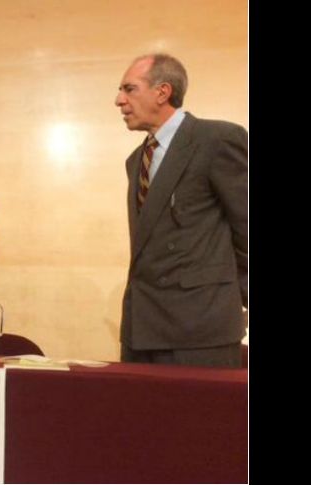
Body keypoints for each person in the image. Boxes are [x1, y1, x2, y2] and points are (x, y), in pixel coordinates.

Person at [114, 53, 247, 367]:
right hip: (140, 330)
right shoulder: (136, 160)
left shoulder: (216, 140)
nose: (119, 100)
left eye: (129, 89)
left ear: (162, 92)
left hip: (200, 331)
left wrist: (230, 300)